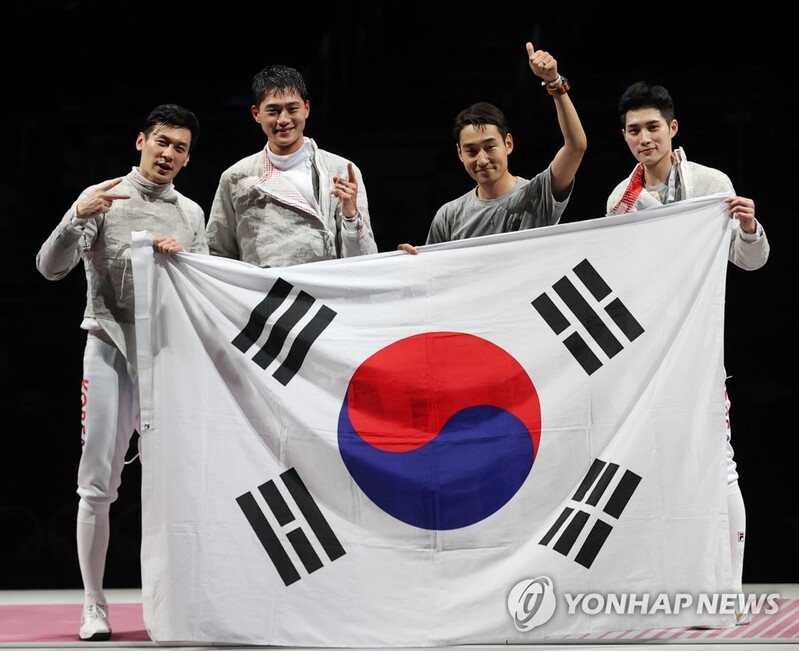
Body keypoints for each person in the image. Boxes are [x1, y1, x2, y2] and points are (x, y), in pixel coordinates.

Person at [36, 104, 208, 642]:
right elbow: (50, 267)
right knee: (98, 486)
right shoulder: (104, 196)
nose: (169, 154)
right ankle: (93, 604)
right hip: (108, 349)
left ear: (186, 156)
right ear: (141, 141)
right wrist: (76, 216)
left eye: (180, 147)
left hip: (168, 359)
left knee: (183, 486)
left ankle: (181, 599)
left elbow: (204, 291)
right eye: (162, 142)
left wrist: (186, 259)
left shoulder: (191, 214)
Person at [606, 81, 770, 623]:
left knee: (719, 467)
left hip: (701, 347)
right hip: (649, 352)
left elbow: (749, 261)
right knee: (657, 467)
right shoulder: (619, 199)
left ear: (672, 129)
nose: (643, 138)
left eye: (653, 127)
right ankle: (676, 586)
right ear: (625, 136)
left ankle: (731, 592)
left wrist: (747, 226)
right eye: (633, 130)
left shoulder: (709, 183)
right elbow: (621, 275)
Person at [398, 41, 587, 253]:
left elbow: (576, 146)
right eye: (471, 151)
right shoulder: (449, 216)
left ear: (508, 143)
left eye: (490, 147)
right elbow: (435, 277)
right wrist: (412, 263)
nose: (482, 159)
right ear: (460, 153)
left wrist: (554, 81)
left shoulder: (537, 195)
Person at [206, 64, 378, 267]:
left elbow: (365, 261)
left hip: (323, 293)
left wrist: (351, 217)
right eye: (273, 111)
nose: (283, 119)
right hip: (265, 295)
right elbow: (218, 255)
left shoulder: (341, 170)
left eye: (292, 109)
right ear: (256, 114)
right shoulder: (236, 176)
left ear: (306, 109)